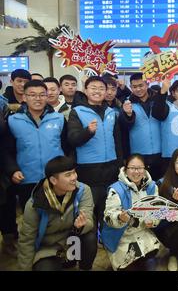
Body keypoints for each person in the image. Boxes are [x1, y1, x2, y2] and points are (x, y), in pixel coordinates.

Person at [18, 156, 96, 271]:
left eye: (74, 172)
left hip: (72, 241)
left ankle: (82, 267)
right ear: (53, 180)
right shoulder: (35, 203)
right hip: (48, 249)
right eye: (68, 175)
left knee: (90, 238)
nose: (74, 177)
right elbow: (27, 240)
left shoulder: (83, 191)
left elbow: (89, 220)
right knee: (45, 268)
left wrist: (81, 226)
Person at [4, 80, 68, 211]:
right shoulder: (13, 120)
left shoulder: (59, 119)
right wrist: (13, 170)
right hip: (26, 178)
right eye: (32, 95)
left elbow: (68, 147)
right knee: (31, 217)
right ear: (24, 97)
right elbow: (6, 151)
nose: (37, 99)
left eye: (42, 94)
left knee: (58, 216)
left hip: (55, 178)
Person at [68, 76, 122, 229]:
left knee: (109, 206)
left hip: (111, 168)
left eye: (101, 88)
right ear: (85, 90)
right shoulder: (77, 112)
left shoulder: (112, 112)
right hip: (88, 169)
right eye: (93, 88)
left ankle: (105, 238)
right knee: (89, 206)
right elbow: (72, 139)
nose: (97, 91)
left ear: (106, 92)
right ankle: (89, 237)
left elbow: (117, 140)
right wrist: (88, 132)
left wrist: (120, 163)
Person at [102, 154, 160, 271]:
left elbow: (157, 211)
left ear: (144, 169)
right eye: (132, 168)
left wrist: (153, 220)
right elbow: (108, 216)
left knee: (151, 257)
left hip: (142, 232)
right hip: (122, 237)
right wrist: (119, 217)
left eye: (140, 168)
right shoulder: (116, 190)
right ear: (125, 169)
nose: (136, 172)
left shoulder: (151, 187)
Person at [120, 73, 162, 180]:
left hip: (160, 151)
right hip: (138, 154)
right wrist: (127, 115)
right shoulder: (127, 103)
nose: (138, 89)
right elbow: (123, 128)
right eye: (134, 87)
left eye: (141, 85)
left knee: (160, 186)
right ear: (130, 87)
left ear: (147, 84)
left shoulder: (157, 100)